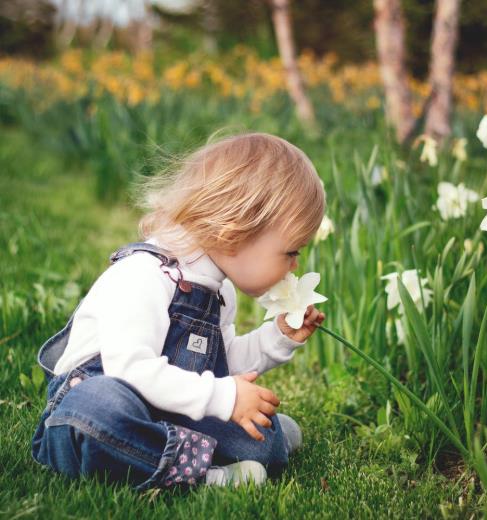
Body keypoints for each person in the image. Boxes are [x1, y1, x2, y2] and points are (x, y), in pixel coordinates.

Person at [31, 132, 326, 490]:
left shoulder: (219, 291)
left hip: (165, 407)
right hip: (96, 409)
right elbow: (131, 370)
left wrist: (277, 338)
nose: (294, 266)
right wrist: (223, 397)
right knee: (99, 409)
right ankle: (203, 475)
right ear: (235, 232)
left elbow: (221, 364)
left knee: (262, 439)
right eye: (291, 252)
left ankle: (250, 442)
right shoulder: (144, 275)